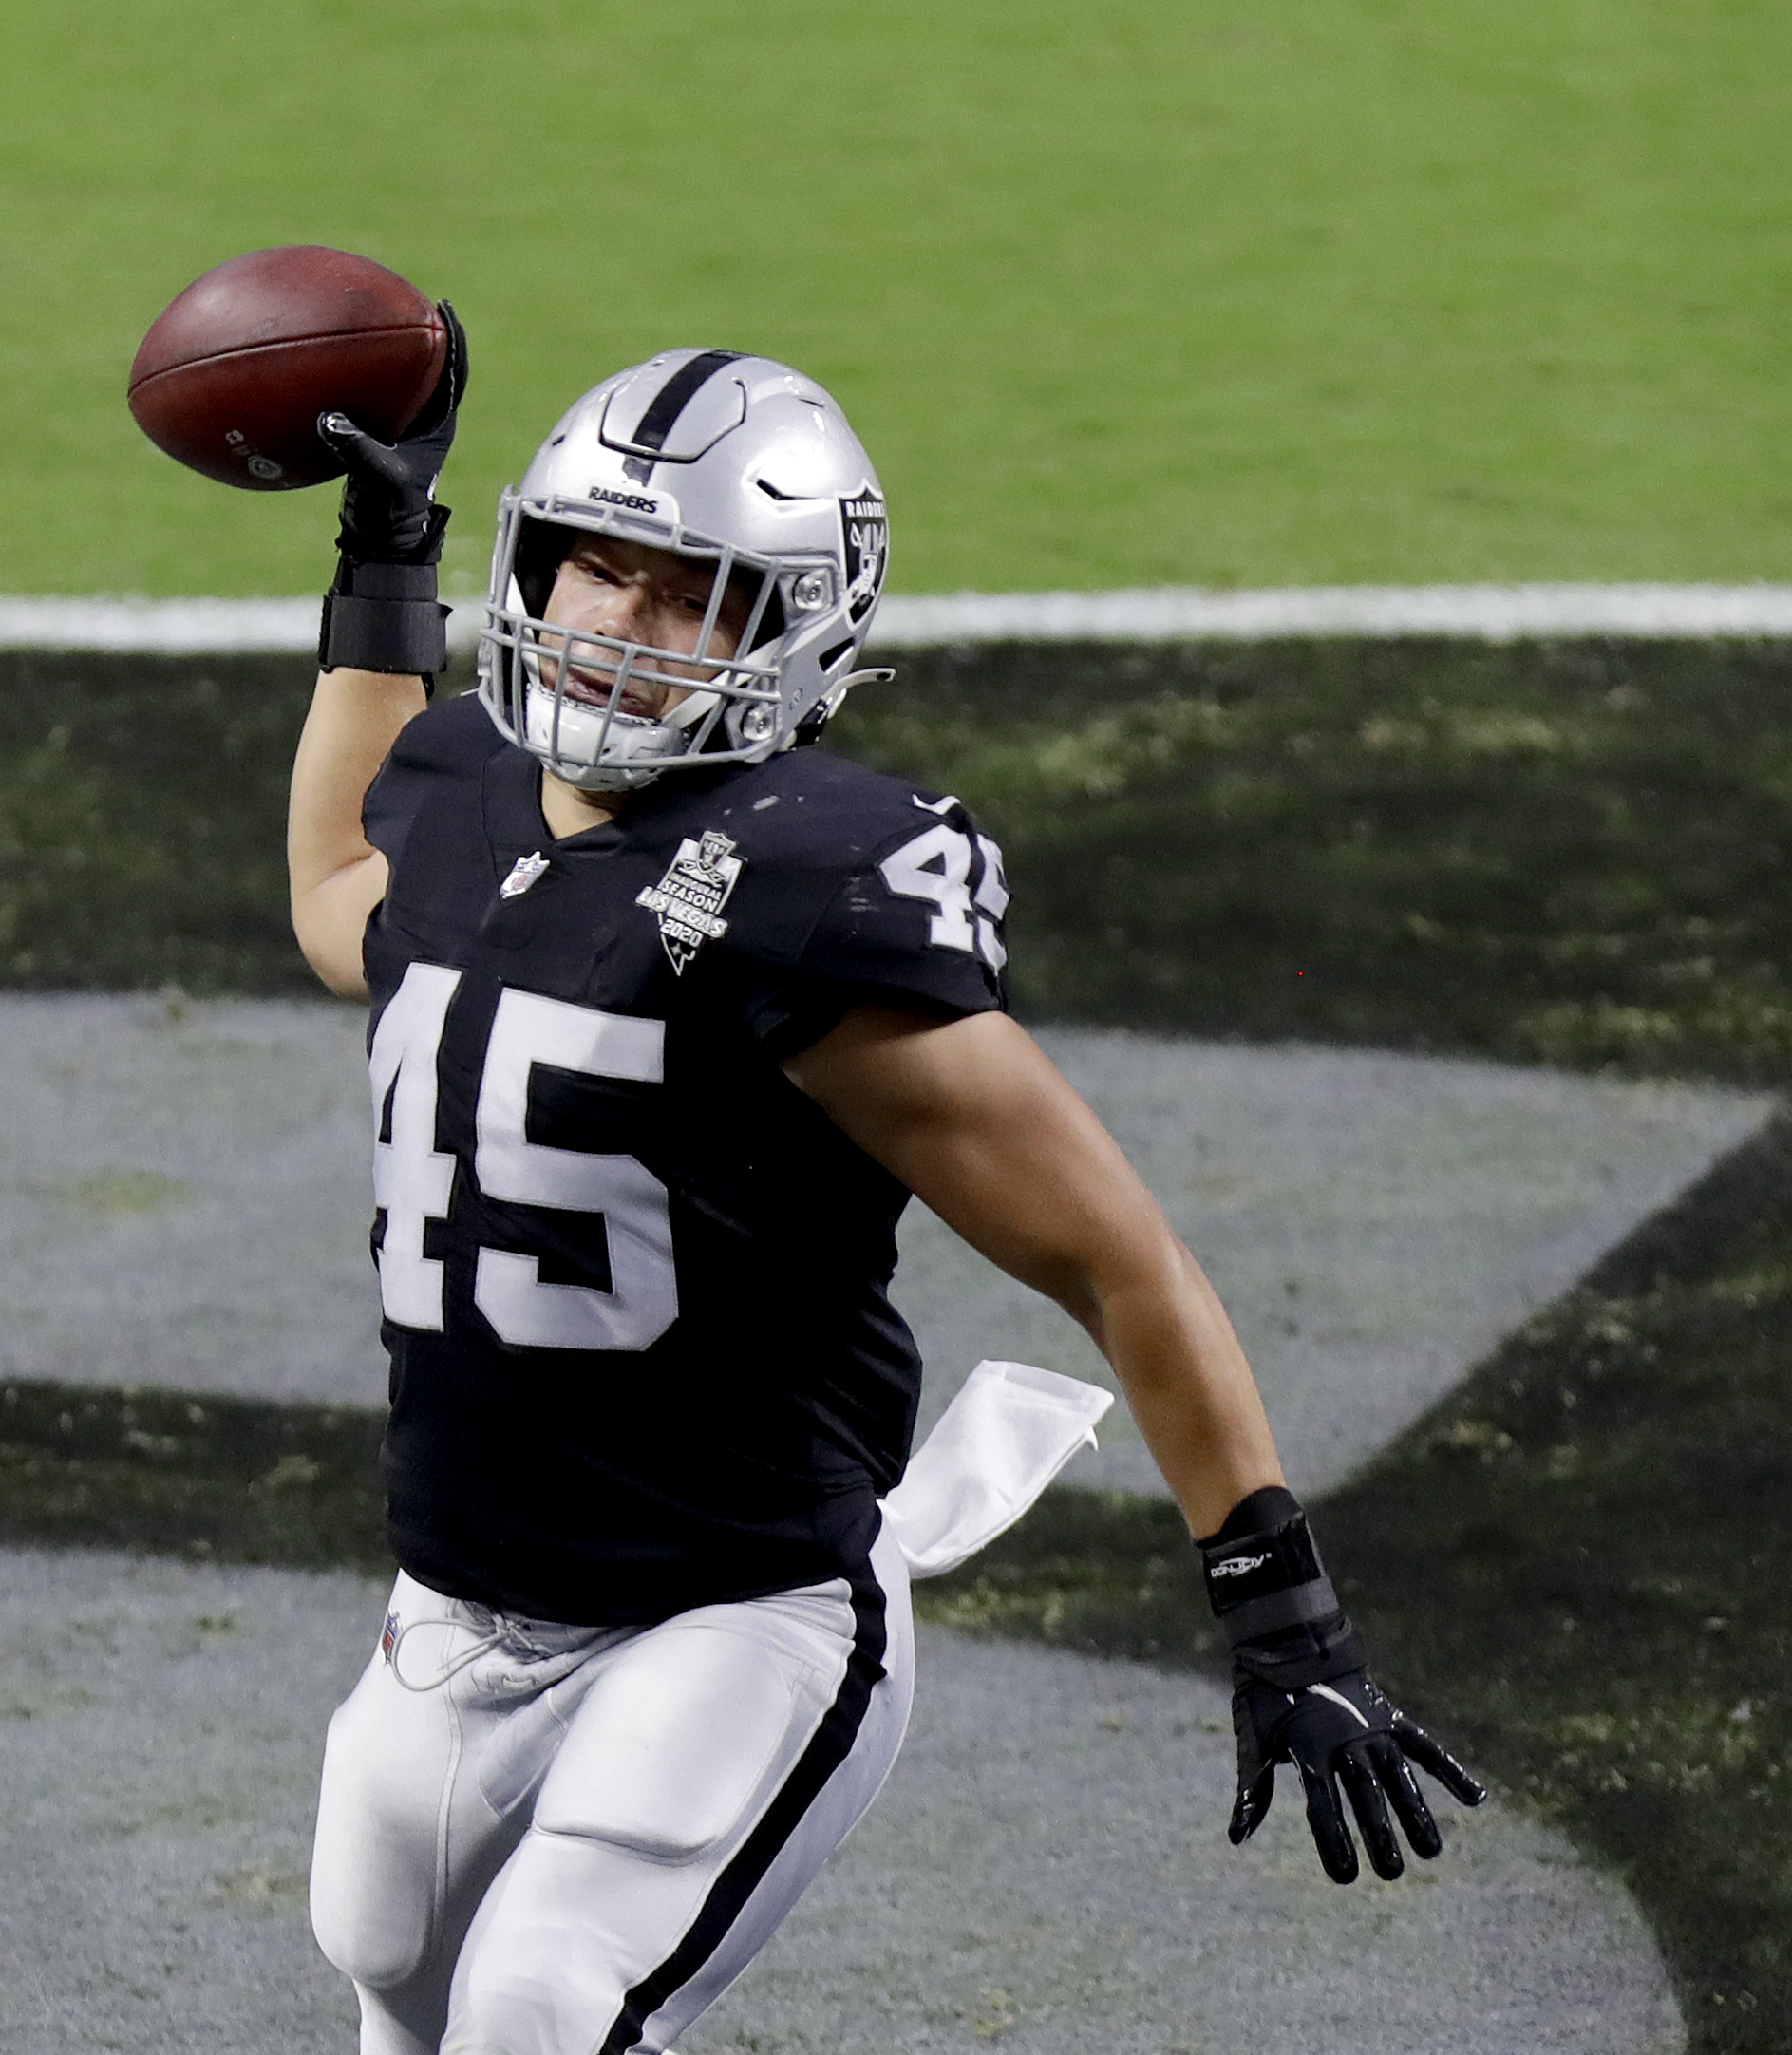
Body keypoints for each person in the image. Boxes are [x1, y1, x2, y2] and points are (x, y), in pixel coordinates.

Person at [283, 311, 1482, 2055]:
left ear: (797, 631)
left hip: (734, 1606)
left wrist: (1282, 1615)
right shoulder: (466, 790)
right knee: (389, 1984)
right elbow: (339, 892)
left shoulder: (812, 893)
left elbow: (1118, 1262)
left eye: (684, 591)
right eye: (588, 566)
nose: (619, 626)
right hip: (453, 1599)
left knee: (542, 2011)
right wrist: (386, 557)